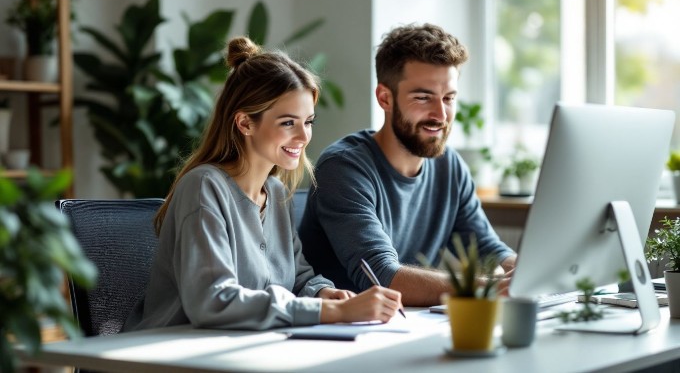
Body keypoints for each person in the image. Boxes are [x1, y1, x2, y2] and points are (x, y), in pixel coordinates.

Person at [124, 37, 402, 332]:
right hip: (166, 354)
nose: (303, 136)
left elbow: (299, 278)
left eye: (308, 122)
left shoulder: (276, 192)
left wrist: (322, 293)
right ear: (245, 123)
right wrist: (330, 311)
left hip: (240, 349)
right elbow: (213, 301)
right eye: (287, 123)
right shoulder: (204, 187)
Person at [299, 23, 517, 306]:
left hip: (408, 324)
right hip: (340, 330)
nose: (440, 114)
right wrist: (488, 287)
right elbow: (381, 274)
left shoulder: (449, 166)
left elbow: (488, 250)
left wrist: (526, 272)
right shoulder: (343, 168)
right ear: (385, 98)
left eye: (448, 98)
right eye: (423, 97)